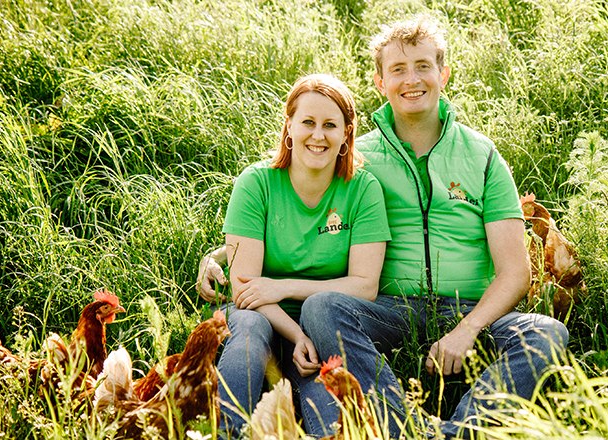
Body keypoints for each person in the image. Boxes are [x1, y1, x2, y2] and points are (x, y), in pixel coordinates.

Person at [199, 16, 568, 438]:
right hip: (388, 310)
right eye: (397, 69)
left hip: (469, 308)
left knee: (546, 333)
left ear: (443, 74)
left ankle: (454, 433)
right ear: (380, 82)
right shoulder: (356, 160)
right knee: (324, 308)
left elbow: (516, 271)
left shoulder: (481, 156)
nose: (412, 79)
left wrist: (468, 329)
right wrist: (221, 254)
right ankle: (399, 425)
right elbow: (296, 206)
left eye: (423, 66)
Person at [206, 73, 390, 438]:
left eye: (330, 125)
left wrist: (284, 288)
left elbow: (365, 286)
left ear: (346, 134)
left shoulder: (363, 190)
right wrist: (294, 333)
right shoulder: (256, 184)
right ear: (289, 127)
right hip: (257, 317)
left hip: (320, 332)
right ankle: (225, 432)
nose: (318, 135)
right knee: (248, 328)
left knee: (327, 417)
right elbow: (246, 290)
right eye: (307, 122)